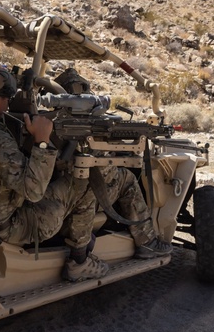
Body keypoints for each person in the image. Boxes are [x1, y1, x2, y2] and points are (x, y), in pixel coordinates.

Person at [0, 62, 109, 282]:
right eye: (5, 99)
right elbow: (33, 192)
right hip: (11, 225)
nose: (8, 105)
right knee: (84, 183)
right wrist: (42, 142)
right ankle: (79, 261)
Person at [54, 67, 175, 259]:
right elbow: (105, 170)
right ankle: (147, 242)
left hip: (57, 194)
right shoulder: (78, 122)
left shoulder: (46, 119)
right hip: (78, 193)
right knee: (126, 179)